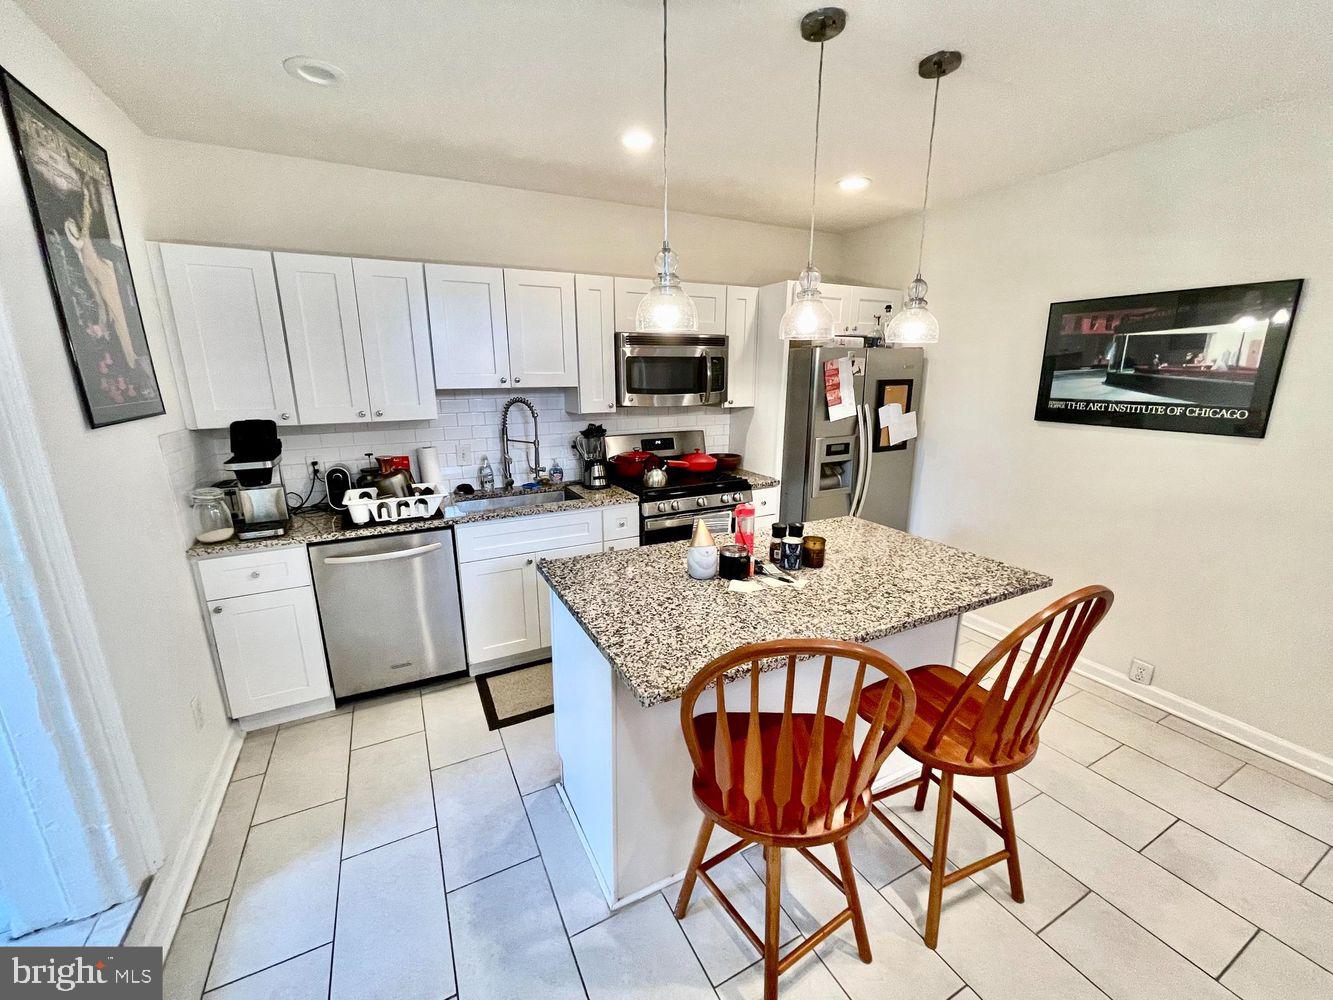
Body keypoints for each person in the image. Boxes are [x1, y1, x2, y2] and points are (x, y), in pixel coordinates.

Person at [63, 179, 138, 370]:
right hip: (93, 269)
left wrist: (86, 194)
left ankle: (131, 356)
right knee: (106, 308)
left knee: (116, 312)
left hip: (100, 271)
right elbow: (78, 242)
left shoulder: (84, 229)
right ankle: (122, 349)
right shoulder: (74, 226)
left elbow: (85, 223)